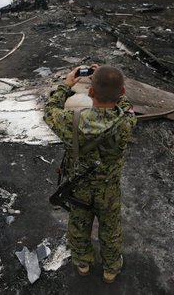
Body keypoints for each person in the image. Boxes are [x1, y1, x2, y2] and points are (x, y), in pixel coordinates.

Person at [43, 64, 137, 283]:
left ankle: (83, 264)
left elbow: (50, 110)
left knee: (78, 225)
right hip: (109, 188)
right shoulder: (127, 121)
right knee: (111, 229)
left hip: (79, 188)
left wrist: (66, 85)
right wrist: (111, 84)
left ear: (90, 92)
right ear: (122, 92)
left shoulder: (70, 121)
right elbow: (126, 105)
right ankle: (111, 270)